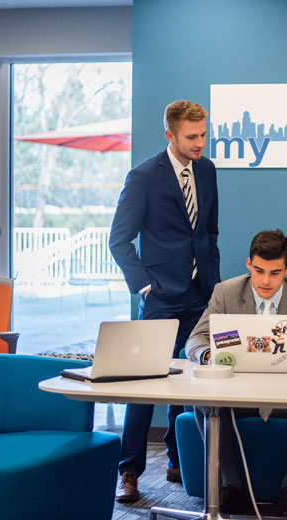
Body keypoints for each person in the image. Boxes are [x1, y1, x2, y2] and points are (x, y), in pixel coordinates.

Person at [109, 100, 220, 503]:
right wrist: (143, 286)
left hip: (199, 293)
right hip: (158, 296)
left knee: (188, 381)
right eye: (192, 136)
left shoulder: (206, 171)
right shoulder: (142, 177)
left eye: (203, 134)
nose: (200, 143)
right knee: (143, 387)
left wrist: (214, 284)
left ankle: (177, 458)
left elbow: (210, 233)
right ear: (170, 135)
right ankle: (129, 472)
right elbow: (118, 240)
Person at [186, 229, 287, 516]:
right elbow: (195, 340)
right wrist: (208, 354)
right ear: (248, 264)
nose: (265, 281)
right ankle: (230, 485)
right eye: (259, 270)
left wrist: (270, 353)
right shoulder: (225, 293)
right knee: (202, 401)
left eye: (275, 273)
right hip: (237, 396)